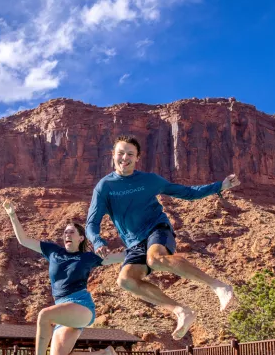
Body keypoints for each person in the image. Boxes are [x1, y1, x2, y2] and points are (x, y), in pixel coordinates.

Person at [85, 136, 240, 340]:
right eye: (121, 153)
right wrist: (97, 241)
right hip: (134, 242)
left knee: (155, 259)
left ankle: (219, 286)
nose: (125, 158)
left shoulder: (150, 180)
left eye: (130, 154)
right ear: (113, 155)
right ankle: (181, 311)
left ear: (137, 158)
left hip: (157, 228)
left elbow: (187, 193)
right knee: (126, 281)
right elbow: (91, 223)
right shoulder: (104, 187)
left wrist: (219, 186)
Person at [3, 200, 125, 355]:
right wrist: (12, 215)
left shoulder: (88, 258)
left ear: (81, 238)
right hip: (63, 312)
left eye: (71, 232)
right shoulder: (53, 251)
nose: (67, 234)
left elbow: (119, 258)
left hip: (81, 305)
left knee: (44, 315)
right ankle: (105, 354)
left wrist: (145, 250)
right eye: (65, 232)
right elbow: (23, 240)